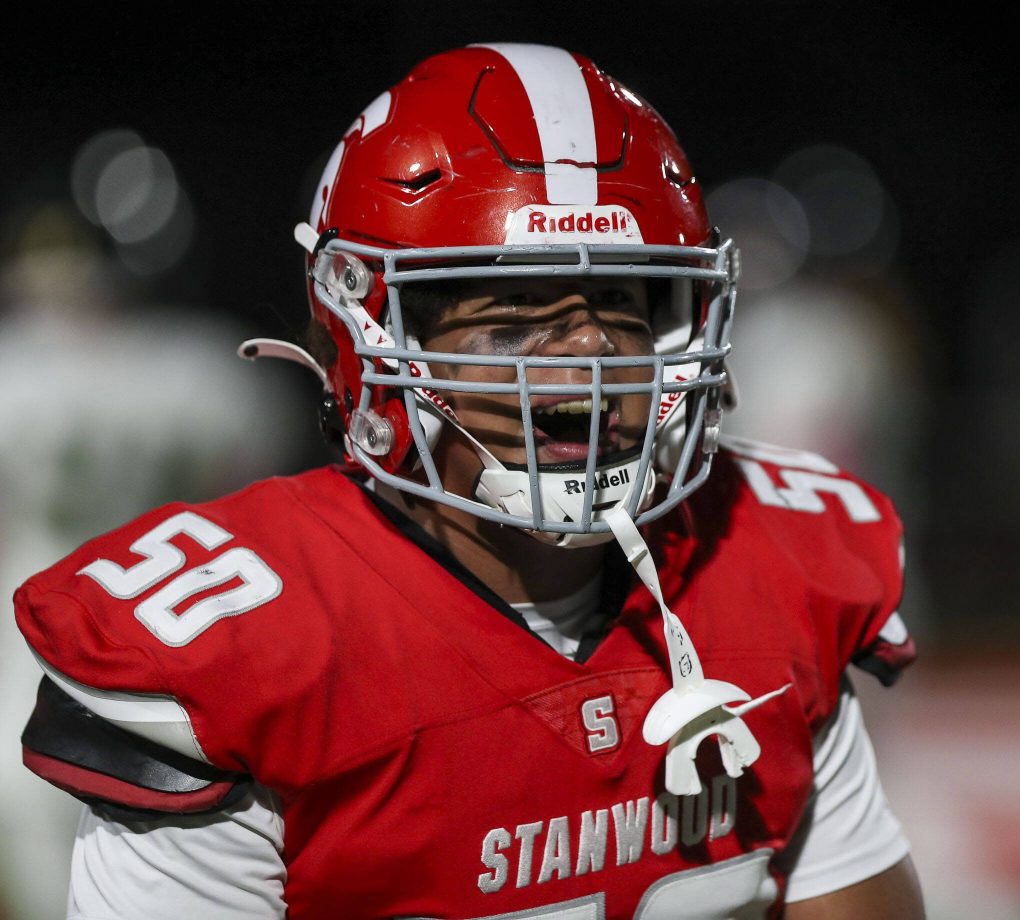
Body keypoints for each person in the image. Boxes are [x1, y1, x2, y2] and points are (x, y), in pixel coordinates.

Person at [14, 43, 924, 919]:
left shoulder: (769, 564)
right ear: (373, 340)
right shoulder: (244, 657)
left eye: (623, 301)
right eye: (517, 309)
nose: (588, 355)